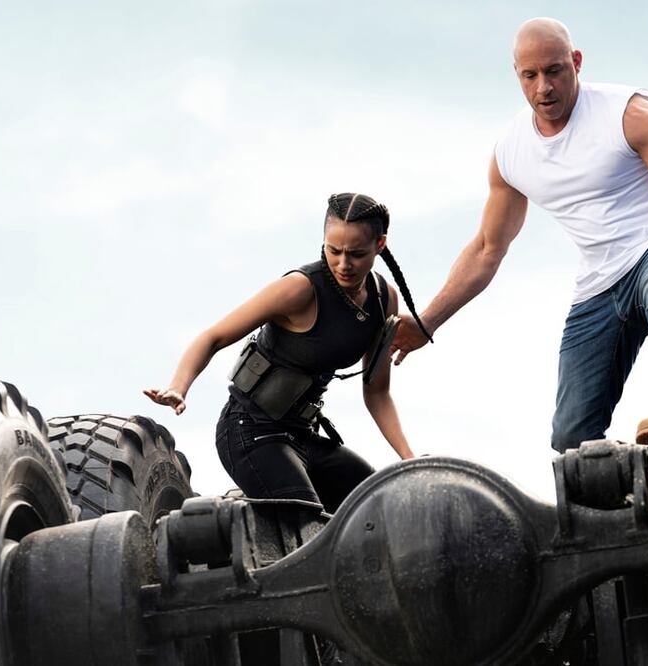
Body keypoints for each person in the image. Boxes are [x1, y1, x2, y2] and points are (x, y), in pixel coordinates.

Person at [390, 18, 648, 452]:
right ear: (516, 74)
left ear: (576, 62)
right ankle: (629, 497)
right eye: (530, 76)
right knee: (571, 439)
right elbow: (486, 249)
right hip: (599, 284)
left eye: (554, 71)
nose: (543, 89)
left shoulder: (626, 114)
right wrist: (426, 321)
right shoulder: (512, 152)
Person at [145, 193, 433, 512]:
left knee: (379, 509)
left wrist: (408, 458)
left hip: (303, 437)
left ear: (380, 246)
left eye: (356, 254)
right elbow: (212, 337)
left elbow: (377, 392)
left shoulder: (383, 299)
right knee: (309, 524)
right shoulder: (300, 289)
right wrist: (178, 386)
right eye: (333, 250)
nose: (343, 264)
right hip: (250, 433)